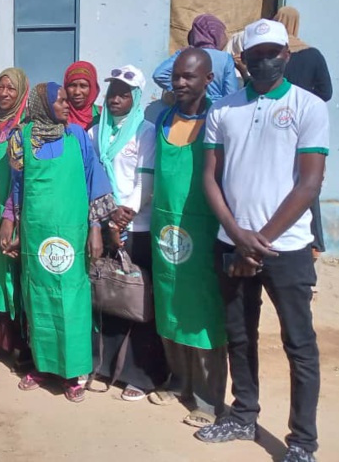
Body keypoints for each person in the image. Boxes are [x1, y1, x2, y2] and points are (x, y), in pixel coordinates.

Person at [197, 19, 328, 462]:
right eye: (256, 56)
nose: (265, 61)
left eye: (273, 53)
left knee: (299, 345)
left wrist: (261, 241)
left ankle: (302, 442)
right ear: (243, 61)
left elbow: (309, 184)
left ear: (286, 56)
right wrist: (237, 236)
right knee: (239, 335)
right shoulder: (223, 110)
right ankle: (243, 414)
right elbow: (209, 178)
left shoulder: (308, 107)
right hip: (231, 242)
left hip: (286, 247)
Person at [1, 82, 116, 402]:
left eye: (68, 100)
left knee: (72, 299)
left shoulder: (76, 136)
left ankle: (72, 372)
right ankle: (43, 366)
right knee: (38, 299)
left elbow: (94, 181)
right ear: (43, 105)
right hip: (36, 235)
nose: (67, 105)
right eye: (60, 101)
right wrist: (13, 226)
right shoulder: (20, 139)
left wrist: (95, 228)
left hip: (73, 233)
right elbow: (18, 188)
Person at [148, 48, 227, 428]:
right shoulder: (164, 118)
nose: (179, 82)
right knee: (170, 307)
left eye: (189, 77)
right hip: (166, 232)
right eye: (176, 76)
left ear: (208, 79)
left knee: (203, 313)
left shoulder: (219, 120)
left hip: (204, 230)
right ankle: (178, 380)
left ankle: (208, 399)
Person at [88, 65, 167, 401]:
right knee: (106, 296)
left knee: (136, 299)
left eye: (123, 94)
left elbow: (143, 180)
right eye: (112, 93)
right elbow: (91, 179)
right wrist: (103, 221)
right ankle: (103, 367)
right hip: (103, 224)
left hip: (136, 227)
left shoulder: (145, 132)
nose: (116, 99)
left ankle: (140, 374)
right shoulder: (95, 132)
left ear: (136, 97)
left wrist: (121, 218)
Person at [274, 5, 333, 272]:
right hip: (305, 126)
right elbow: (327, 92)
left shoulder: (274, 55)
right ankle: (314, 242)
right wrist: (308, 103)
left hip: (275, 125)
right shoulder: (314, 55)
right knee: (309, 183)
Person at [0, 68, 30, 366]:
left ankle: (20, 342)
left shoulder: (25, 127)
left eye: (11, 89)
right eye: (0, 87)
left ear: (21, 93)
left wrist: (10, 217)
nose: (4, 93)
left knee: (17, 276)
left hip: (14, 213)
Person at [153, 14, 238, 101]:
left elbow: (159, 75)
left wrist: (180, 89)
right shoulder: (225, 58)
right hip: (217, 108)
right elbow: (231, 93)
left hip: (188, 108)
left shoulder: (186, 55)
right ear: (217, 34)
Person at [64, 61, 101, 130]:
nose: (77, 92)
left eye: (83, 86)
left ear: (92, 88)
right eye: (72, 85)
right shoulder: (57, 116)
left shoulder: (103, 116)